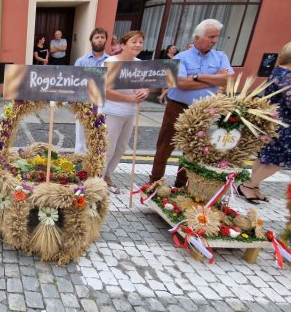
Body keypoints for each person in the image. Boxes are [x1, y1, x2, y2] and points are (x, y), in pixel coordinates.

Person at [149, 19, 234, 187]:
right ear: (197, 37)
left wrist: (197, 76)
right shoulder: (181, 57)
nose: (214, 40)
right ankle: (155, 182)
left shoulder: (220, 57)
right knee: (166, 146)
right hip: (177, 107)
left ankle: (182, 183)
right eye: (211, 36)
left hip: (204, 110)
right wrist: (214, 79)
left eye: (216, 37)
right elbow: (181, 83)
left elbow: (228, 79)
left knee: (193, 149)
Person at [238, 42, 291, 203]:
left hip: (274, 121)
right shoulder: (287, 75)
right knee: (279, 160)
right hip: (284, 124)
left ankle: (254, 187)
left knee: (265, 156)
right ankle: (248, 185)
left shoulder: (279, 71)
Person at [101, 31, 150, 194]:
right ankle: (98, 180)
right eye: (134, 42)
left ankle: (108, 177)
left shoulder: (140, 64)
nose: (138, 45)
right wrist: (128, 98)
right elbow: (104, 90)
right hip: (111, 111)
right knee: (108, 148)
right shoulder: (111, 62)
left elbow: (144, 85)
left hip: (130, 113)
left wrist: (145, 91)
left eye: (141, 42)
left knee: (121, 148)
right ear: (122, 45)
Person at [74, 27, 110, 153]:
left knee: (99, 135)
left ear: (106, 40)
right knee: (81, 137)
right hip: (84, 102)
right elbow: (74, 81)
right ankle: (79, 163)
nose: (100, 40)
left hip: (103, 104)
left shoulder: (111, 61)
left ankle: (95, 164)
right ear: (91, 40)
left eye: (102, 37)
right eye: (97, 37)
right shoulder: (81, 61)